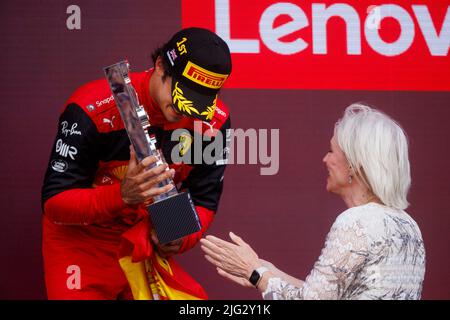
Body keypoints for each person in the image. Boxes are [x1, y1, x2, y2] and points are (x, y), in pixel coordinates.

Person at [41, 27, 232, 300]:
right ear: (160, 66)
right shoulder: (93, 107)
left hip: (143, 245)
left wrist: (178, 236)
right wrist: (122, 195)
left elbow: (202, 199)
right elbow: (54, 204)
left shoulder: (212, 123)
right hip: (82, 244)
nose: (187, 108)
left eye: (201, 98)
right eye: (184, 92)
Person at [201, 104, 426, 300]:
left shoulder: (356, 221)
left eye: (331, 151)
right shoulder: (409, 226)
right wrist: (268, 271)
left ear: (354, 165)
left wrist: (254, 272)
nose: (325, 159)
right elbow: (327, 295)